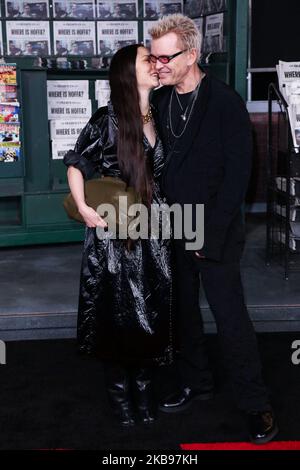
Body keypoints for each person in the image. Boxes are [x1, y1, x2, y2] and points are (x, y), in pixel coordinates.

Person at [149, 14, 279, 444]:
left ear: (193, 55)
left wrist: (212, 233)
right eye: (155, 58)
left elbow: (239, 174)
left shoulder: (224, 101)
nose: (160, 65)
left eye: (167, 57)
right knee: (182, 313)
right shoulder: (163, 101)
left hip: (214, 227)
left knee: (231, 319)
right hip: (172, 226)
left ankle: (255, 404)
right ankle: (197, 382)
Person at [63, 44, 174, 427]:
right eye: (149, 60)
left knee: (150, 312)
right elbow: (77, 163)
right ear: (129, 73)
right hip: (115, 231)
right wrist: (84, 208)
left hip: (153, 230)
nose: (157, 65)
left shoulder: (156, 115)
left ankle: (143, 394)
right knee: (115, 312)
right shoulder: (105, 119)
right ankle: (120, 398)